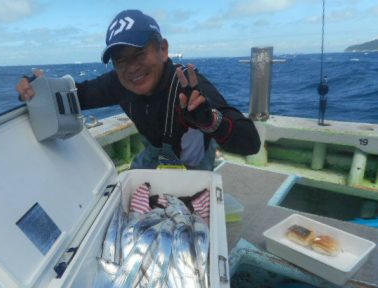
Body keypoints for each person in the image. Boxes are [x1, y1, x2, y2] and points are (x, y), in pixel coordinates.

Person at [16, 9, 260, 170]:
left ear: (163, 50)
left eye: (139, 53)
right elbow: (75, 97)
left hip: (194, 166)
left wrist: (210, 121)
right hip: (154, 155)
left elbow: (250, 143)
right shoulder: (117, 82)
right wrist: (37, 89)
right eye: (121, 60)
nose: (131, 68)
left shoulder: (189, 86)